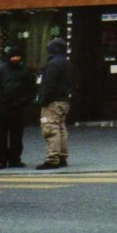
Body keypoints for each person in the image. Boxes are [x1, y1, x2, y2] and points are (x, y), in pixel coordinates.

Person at [0, 45, 37, 170]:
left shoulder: (1, 69)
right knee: (4, 136)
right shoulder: (20, 70)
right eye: (14, 56)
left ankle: (8, 160)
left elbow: (30, 90)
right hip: (5, 107)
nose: (15, 58)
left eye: (17, 56)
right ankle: (6, 160)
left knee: (13, 136)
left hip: (11, 107)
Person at [35, 38, 72, 170]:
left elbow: (49, 85)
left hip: (52, 101)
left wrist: (43, 100)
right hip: (64, 100)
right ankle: (62, 156)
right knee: (61, 128)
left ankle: (52, 158)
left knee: (50, 128)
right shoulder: (66, 62)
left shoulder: (52, 64)